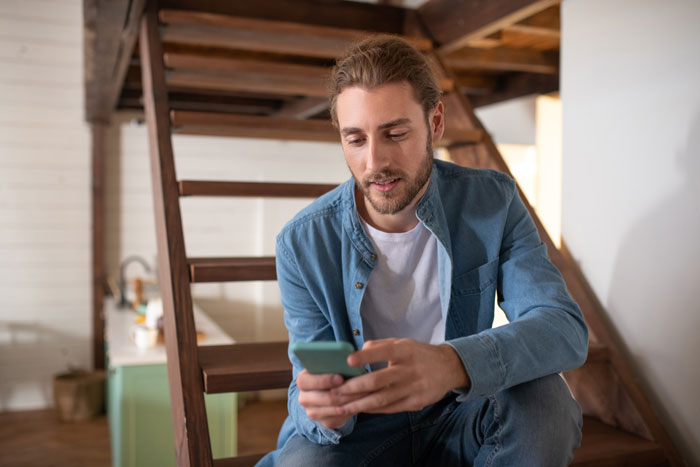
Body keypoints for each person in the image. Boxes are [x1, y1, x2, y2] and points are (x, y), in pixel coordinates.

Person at [258, 35, 588, 466]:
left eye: (395, 133)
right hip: (362, 429)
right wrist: (322, 409)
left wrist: (453, 364)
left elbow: (562, 327)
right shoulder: (302, 243)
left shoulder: (493, 202)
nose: (374, 161)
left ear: (435, 123)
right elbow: (306, 391)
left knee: (546, 400)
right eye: (355, 139)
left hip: (463, 410)